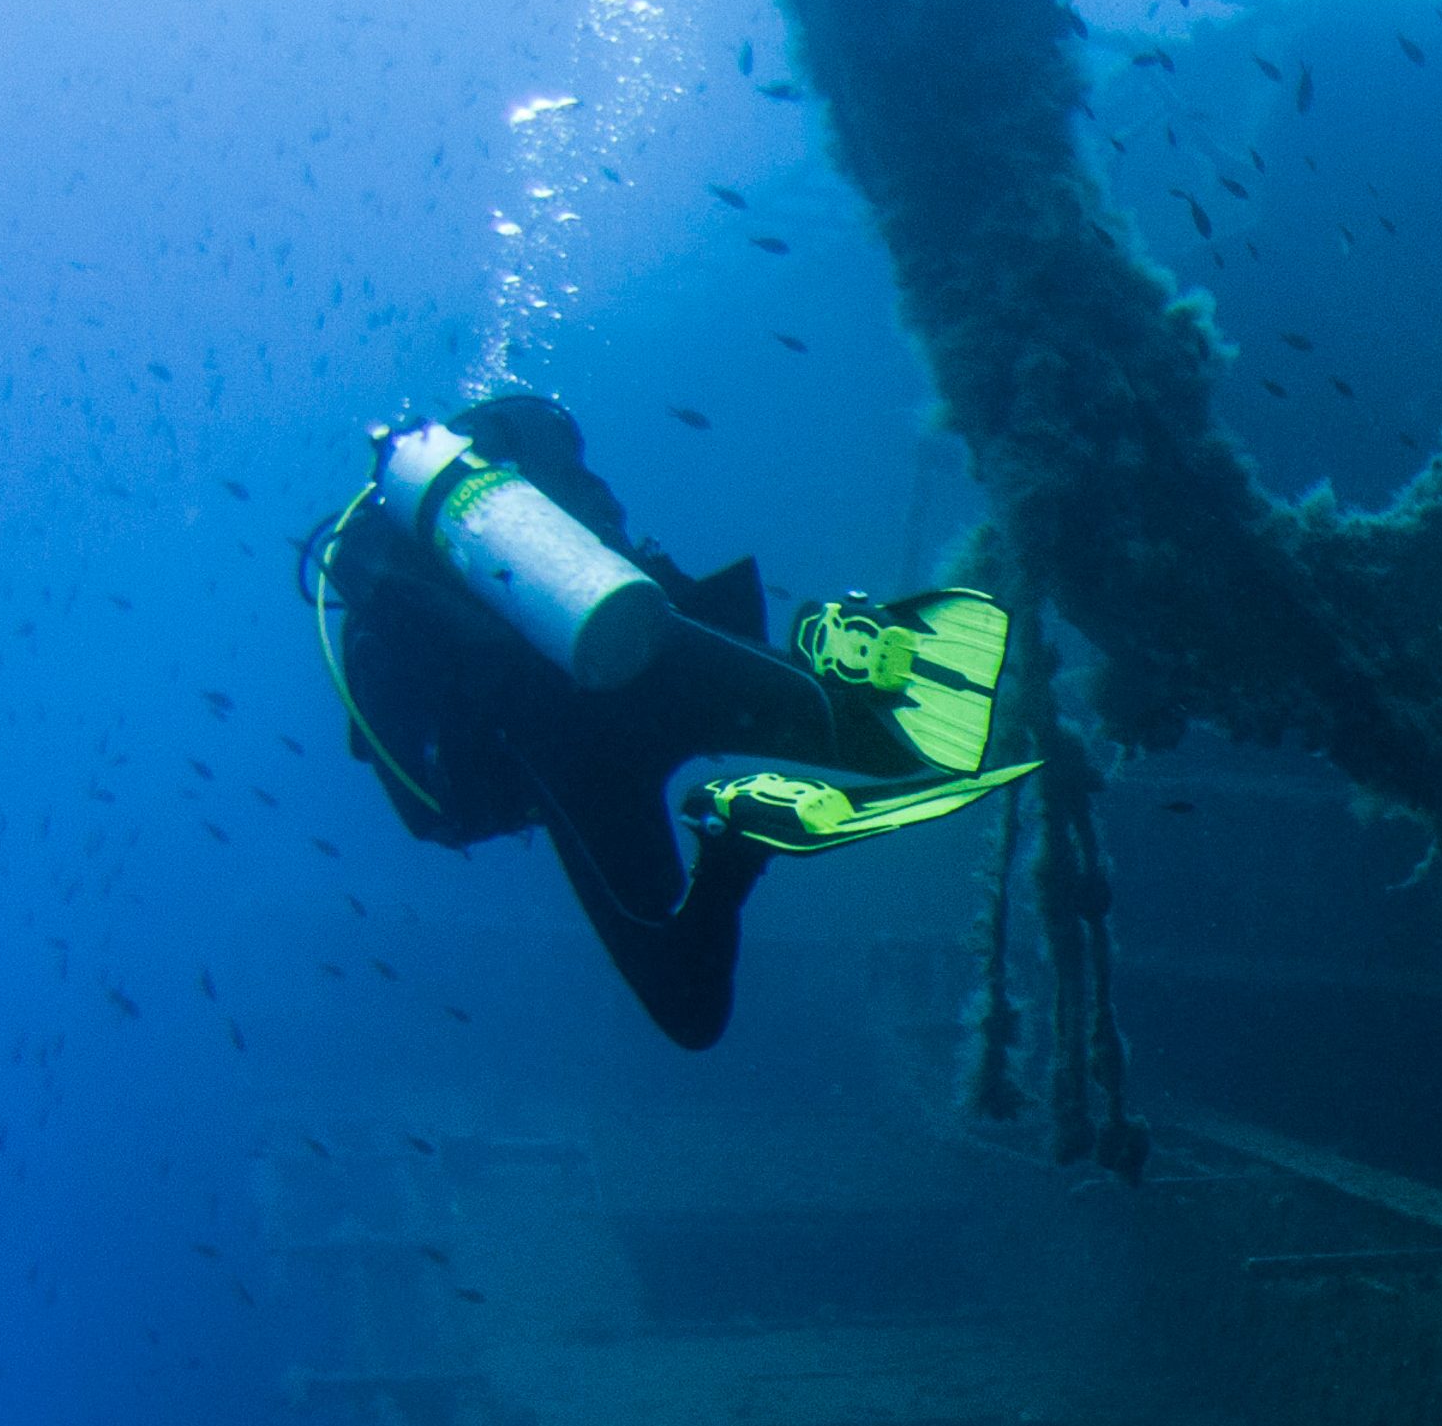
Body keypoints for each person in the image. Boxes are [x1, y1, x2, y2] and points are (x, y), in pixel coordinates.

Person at [302, 393, 1023, 1049]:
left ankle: (731, 843)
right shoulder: (525, 461)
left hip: (559, 750)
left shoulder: (389, 591)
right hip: (659, 660)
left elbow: (428, 798)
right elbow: (617, 547)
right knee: (901, 740)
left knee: (688, 1008)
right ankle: (852, 651)